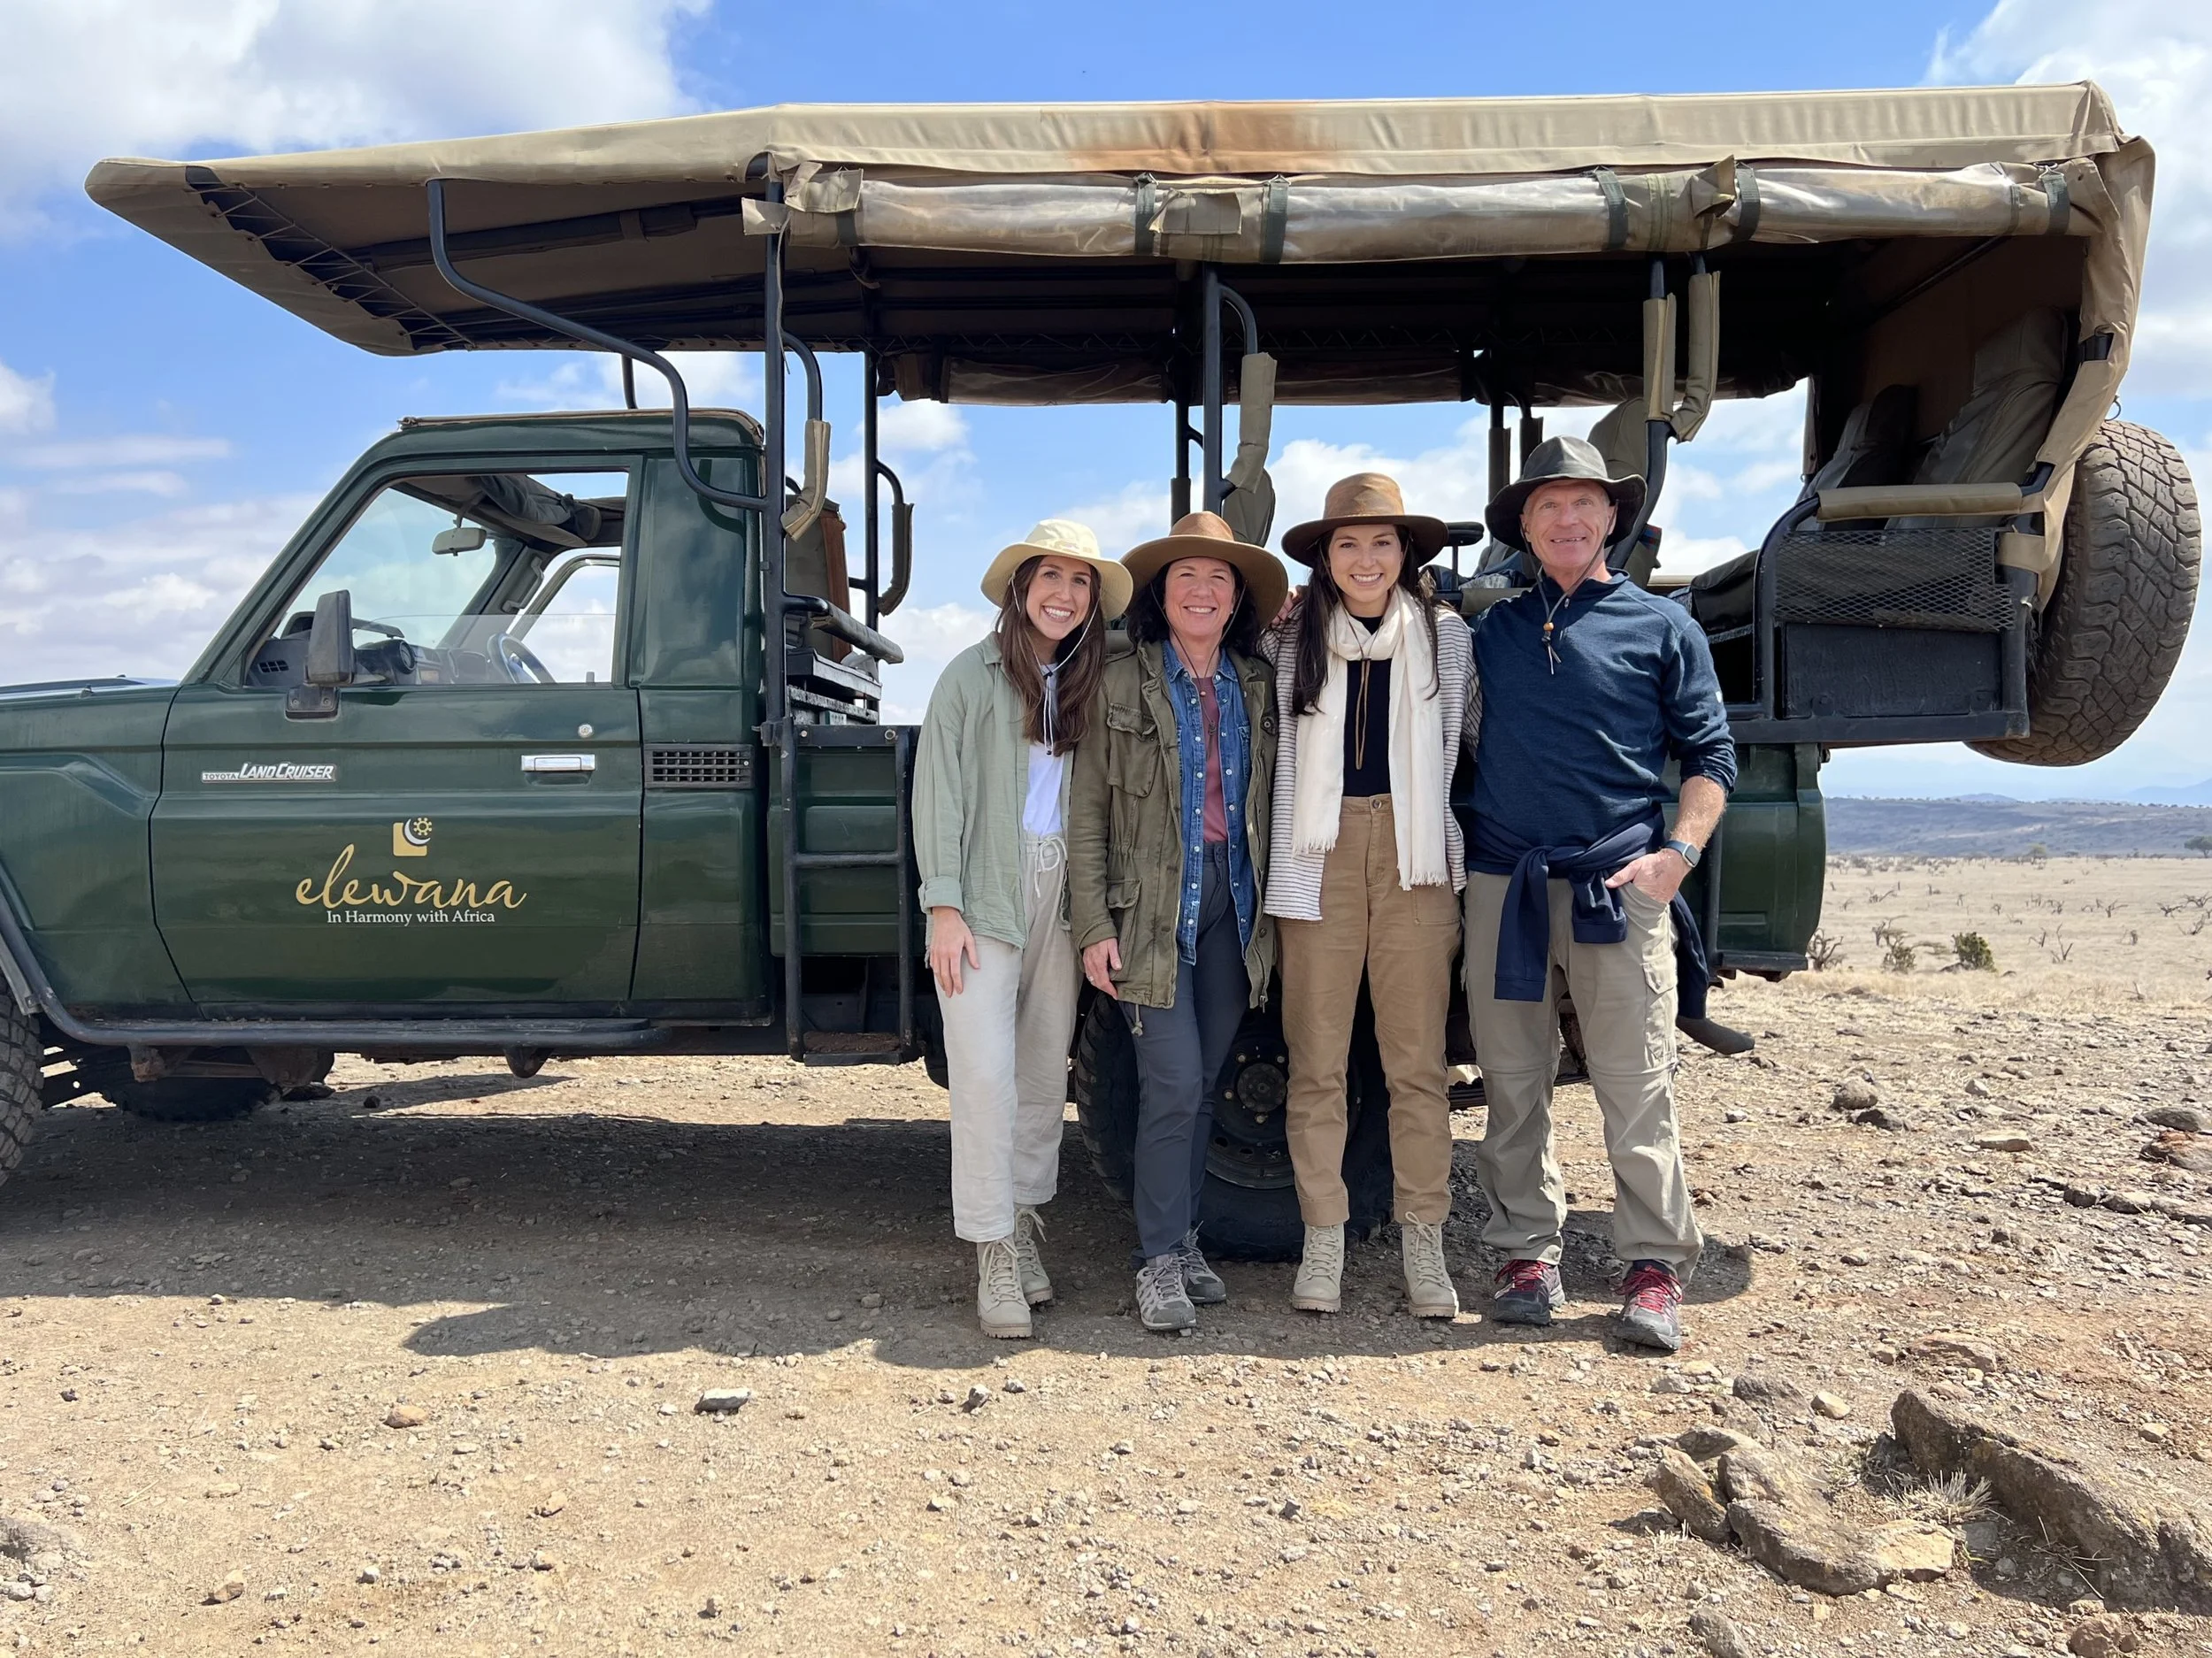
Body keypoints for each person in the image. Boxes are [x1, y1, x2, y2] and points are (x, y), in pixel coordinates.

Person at [1462, 436, 1735, 1352]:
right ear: (1525, 527)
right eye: (1548, 506)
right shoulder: (1488, 631)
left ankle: (1654, 1266)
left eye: (1584, 503)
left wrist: (1677, 856)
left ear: (1613, 517)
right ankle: (1525, 1255)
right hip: (1503, 881)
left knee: (1635, 1083)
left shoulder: (1665, 627)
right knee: (1513, 1081)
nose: (1567, 520)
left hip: (1617, 883)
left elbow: (1710, 760)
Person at [1067, 511, 1286, 1334]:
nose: (1203, 591)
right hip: (1150, 912)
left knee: (1200, 1090)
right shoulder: (1121, 682)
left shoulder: (1257, 686)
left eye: (1219, 579)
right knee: (1172, 1081)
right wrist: (1092, 922)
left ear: (1237, 601)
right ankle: (1157, 1259)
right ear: (1164, 593)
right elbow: (1087, 814)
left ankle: (1185, 1239)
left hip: (1233, 909)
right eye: (1187, 576)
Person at [913, 519, 1131, 1339]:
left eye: (1081, 582)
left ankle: (1025, 1220)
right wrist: (944, 902)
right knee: (981, 1077)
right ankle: (992, 1247)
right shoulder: (969, 676)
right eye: (1051, 576)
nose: (1065, 594)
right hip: (983, 893)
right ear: (1020, 586)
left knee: (1045, 1070)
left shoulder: (1089, 679)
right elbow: (938, 792)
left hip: (1063, 893)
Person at [1266, 473, 1475, 1319]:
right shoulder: (1290, 641)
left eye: (1382, 542)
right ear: (1323, 558)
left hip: (1415, 852)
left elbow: (1466, 741)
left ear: (1405, 554)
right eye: (1346, 543)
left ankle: (1423, 1242)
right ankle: (1325, 1240)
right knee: (1315, 1065)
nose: (1365, 558)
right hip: (1315, 854)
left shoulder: (1447, 638)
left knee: (1417, 1067)